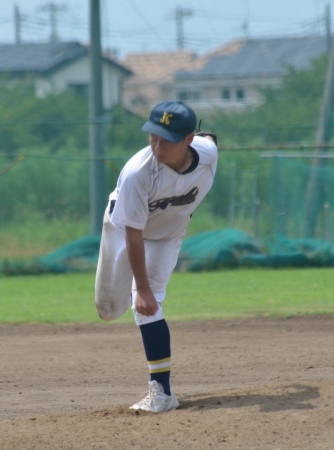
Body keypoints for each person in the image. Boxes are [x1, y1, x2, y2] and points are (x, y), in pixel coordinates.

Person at [94, 101, 218, 412]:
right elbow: (133, 234)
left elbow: (210, 142)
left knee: (148, 306)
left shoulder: (207, 154)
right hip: (123, 229)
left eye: (168, 139)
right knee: (108, 310)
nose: (158, 146)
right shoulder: (138, 173)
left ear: (188, 139)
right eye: (154, 136)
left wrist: (145, 292)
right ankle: (128, 295)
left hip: (166, 236)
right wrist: (143, 288)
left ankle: (162, 393)